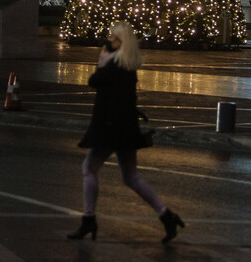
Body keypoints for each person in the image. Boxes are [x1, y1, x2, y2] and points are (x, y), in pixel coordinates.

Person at [67, 20, 184, 244]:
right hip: (126, 130)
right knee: (131, 177)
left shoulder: (113, 66)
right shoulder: (128, 65)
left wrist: (100, 62)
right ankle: (167, 215)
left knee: (89, 170)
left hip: (110, 129)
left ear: (121, 42)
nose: (108, 40)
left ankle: (88, 219)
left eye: (113, 37)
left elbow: (94, 81)